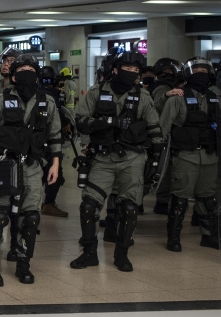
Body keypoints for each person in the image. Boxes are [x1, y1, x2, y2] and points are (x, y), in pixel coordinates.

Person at [70, 52, 163, 272]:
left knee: (129, 209)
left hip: (133, 158)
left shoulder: (143, 96)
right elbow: (81, 121)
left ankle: (122, 255)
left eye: (135, 71)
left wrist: (156, 161)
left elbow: (154, 129)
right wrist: (109, 122)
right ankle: (90, 253)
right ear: (115, 70)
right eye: (127, 69)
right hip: (103, 157)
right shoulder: (96, 92)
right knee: (88, 206)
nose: (131, 74)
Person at [0, 55, 63, 286]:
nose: (27, 72)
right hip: (4, 165)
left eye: (31, 69)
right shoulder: (1, 100)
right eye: (22, 69)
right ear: (13, 76)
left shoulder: (47, 102)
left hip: (33, 166)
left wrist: (55, 164)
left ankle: (24, 264)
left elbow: (55, 136)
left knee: (31, 218)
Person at [158, 57, 220, 251]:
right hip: (186, 157)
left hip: (210, 156)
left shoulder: (215, 97)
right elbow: (163, 128)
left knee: (207, 198)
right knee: (180, 198)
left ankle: (209, 235)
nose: (200, 74)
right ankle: (174, 237)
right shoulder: (177, 97)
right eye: (196, 70)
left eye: (204, 70)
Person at [149, 58, 183, 215]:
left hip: (164, 133)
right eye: (164, 73)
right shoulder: (161, 88)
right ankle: (161, 201)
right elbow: (158, 104)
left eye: (170, 72)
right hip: (160, 134)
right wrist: (167, 95)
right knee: (162, 168)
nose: (167, 75)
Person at [39, 66, 72, 218]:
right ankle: (49, 203)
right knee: (54, 173)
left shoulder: (34, 93)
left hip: (35, 141)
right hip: (50, 140)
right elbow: (58, 116)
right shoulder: (55, 95)